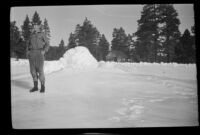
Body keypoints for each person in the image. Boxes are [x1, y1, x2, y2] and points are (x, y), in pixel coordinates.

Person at [26, 24, 49, 93]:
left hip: (39, 53)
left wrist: (44, 50)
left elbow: (47, 43)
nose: (34, 27)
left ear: (39, 28)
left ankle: (42, 87)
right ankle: (35, 87)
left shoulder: (42, 34)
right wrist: (28, 52)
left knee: (40, 70)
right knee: (32, 71)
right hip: (32, 54)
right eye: (34, 26)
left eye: (36, 26)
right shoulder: (31, 35)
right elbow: (27, 45)